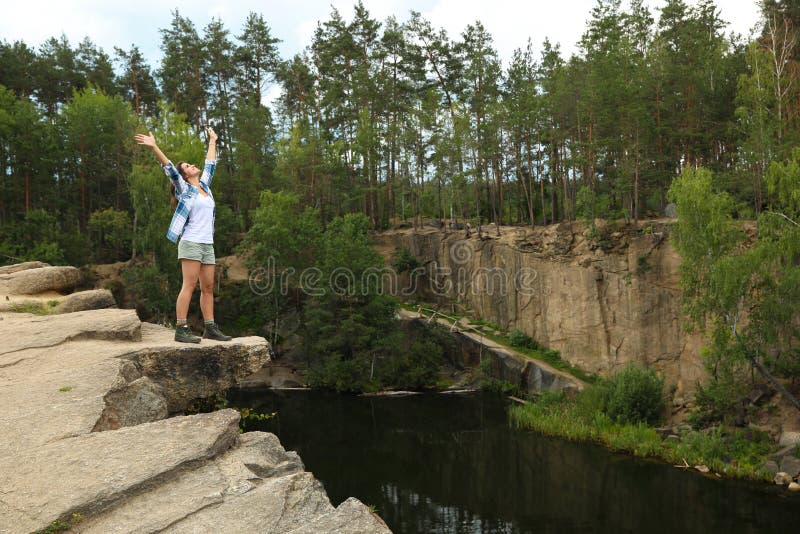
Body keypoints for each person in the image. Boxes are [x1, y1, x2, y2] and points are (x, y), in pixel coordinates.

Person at [134, 127, 232, 343]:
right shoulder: (184, 189)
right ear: (185, 175)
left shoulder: (205, 186)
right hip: (190, 242)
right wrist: (154, 147)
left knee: (207, 287)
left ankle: (210, 328)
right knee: (189, 285)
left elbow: (210, 164)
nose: (192, 165)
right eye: (188, 166)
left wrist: (213, 140)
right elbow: (169, 168)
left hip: (207, 244)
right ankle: (181, 328)